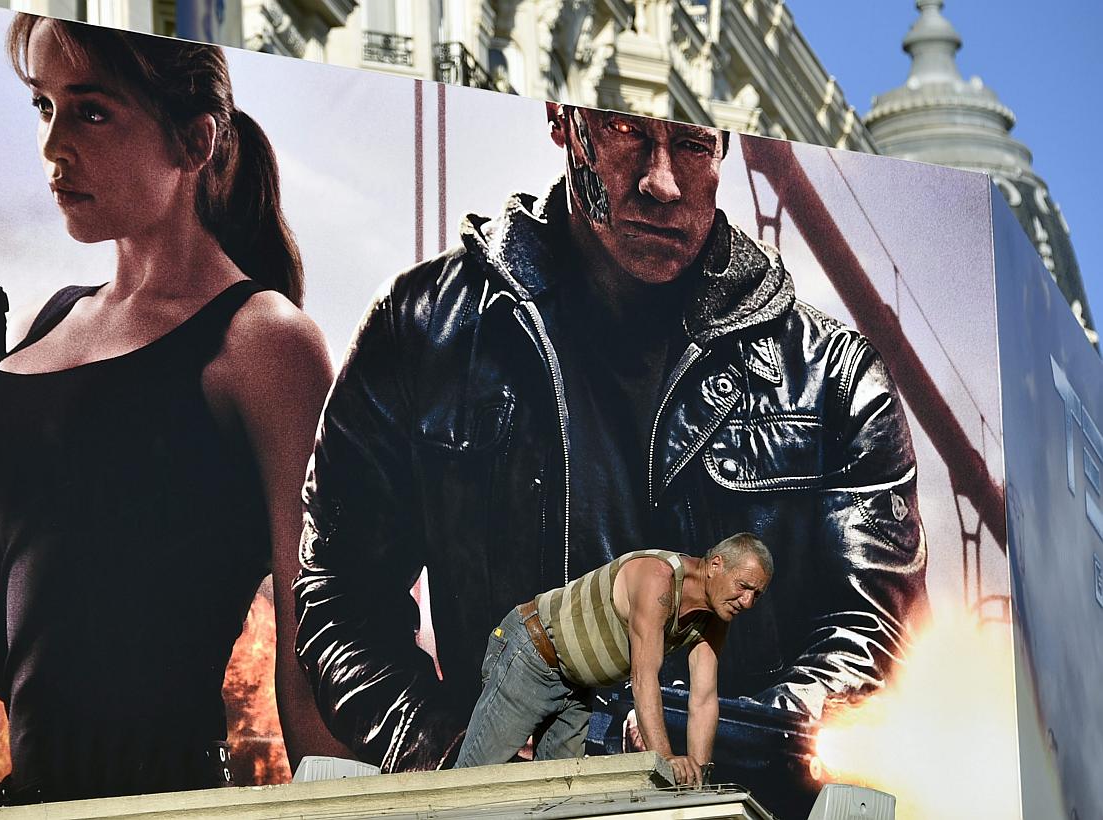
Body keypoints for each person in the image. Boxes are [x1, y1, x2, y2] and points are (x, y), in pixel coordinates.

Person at [0, 17, 341, 803]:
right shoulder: (51, 322)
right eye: (43, 108)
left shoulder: (263, 341)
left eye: (91, 111)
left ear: (195, 141)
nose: (54, 149)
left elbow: (312, 647)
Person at [295, 104, 928, 772]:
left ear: (724, 148)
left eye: (690, 144)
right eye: (626, 130)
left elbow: (873, 645)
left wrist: (714, 751)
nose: (661, 182)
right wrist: (454, 752)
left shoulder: (836, 380)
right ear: (562, 118)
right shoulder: (424, 328)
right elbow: (341, 595)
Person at [454, 534, 773, 786]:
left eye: (756, 595)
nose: (747, 602)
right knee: (472, 781)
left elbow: (703, 700)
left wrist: (699, 779)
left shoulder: (715, 617)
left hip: (577, 686)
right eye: (743, 586)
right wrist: (664, 758)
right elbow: (644, 677)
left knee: (560, 799)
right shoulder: (658, 577)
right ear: (715, 565)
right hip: (533, 656)